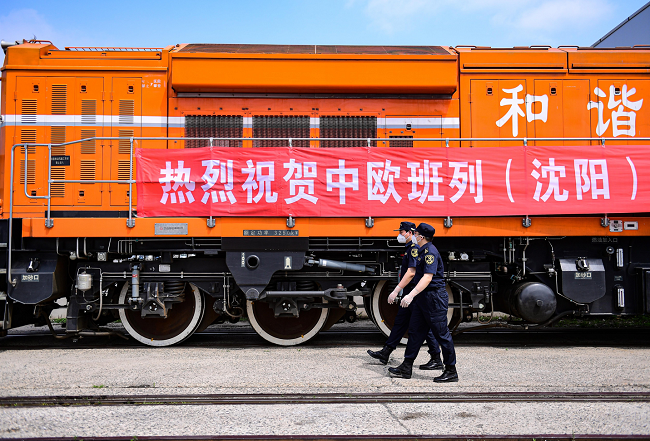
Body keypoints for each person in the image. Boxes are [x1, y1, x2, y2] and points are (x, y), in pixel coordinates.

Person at [367, 221, 443, 371]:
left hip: (413, 292)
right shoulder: (410, 247)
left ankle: (436, 357)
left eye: (402, 232)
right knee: (401, 321)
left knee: (422, 326)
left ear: (410, 232)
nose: (399, 235)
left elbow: (411, 272)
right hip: (409, 291)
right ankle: (386, 352)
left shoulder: (414, 249)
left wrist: (397, 290)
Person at [388, 223, 458, 383]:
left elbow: (428, 277)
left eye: (416, 233)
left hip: (434, 298)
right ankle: (406, 367)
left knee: (442, 335)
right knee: (415, 332)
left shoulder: (430, 252)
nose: (414, 235)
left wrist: (410, 295)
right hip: (423, 298)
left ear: (422, 236)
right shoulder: (420, 250)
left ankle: (451, 370)